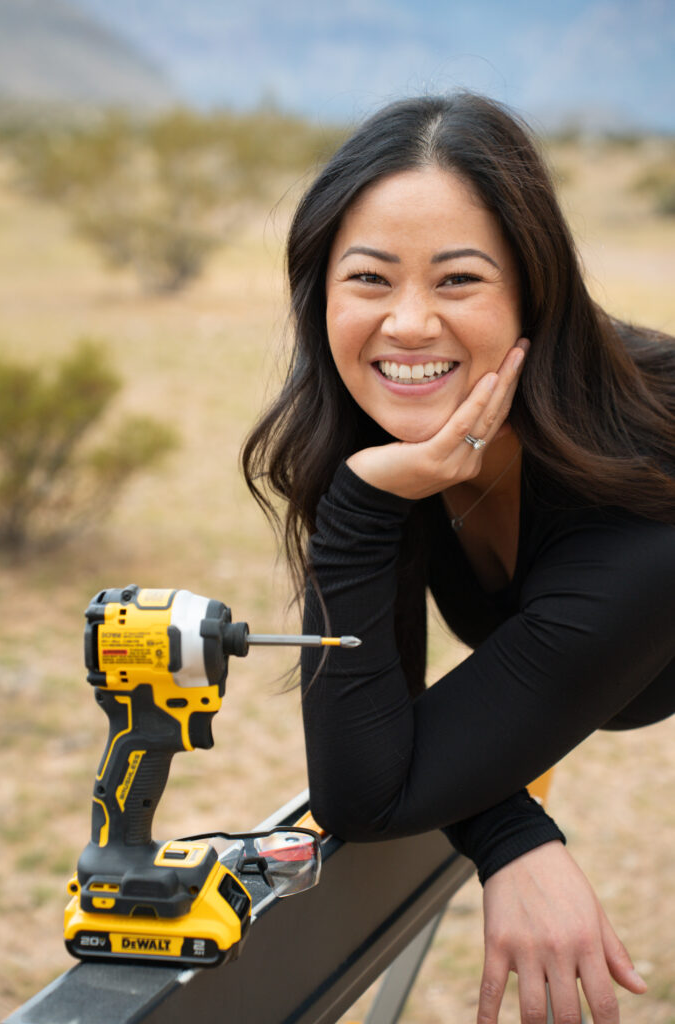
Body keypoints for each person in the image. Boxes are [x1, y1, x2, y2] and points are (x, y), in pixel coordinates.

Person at [242, 93, 675, 1023]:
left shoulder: (648, 509)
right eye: (369, 279)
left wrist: (359, 507)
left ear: (535, 294)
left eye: (457, 280)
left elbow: (375, 787)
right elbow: (376, 750)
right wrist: (514, 833)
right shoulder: (391, 446)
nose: (406, 324)